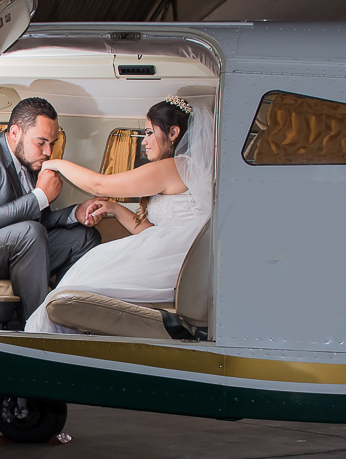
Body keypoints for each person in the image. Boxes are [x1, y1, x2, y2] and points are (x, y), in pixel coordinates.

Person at [25, 96, 214, 334]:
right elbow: (156, 233)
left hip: (179, 261)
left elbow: (100, 185)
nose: (144, 141)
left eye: (149, 132)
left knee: (84, 278)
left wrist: (55, 164)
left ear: (174, 133)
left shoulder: (175, 167)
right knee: (87, 271)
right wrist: (114, 208)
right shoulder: (184, 169)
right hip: (174, 254)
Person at [0, 97, 102, 321]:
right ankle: (36, 326)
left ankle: (64, 316)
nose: (48, 151)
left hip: (15, 247)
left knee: (84, 237)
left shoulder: (30, 162)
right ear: (15, 132)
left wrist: (75, 213)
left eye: (52, 143)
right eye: (41, 142)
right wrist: (41, 195)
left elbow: (39, 219)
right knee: (30, 233)